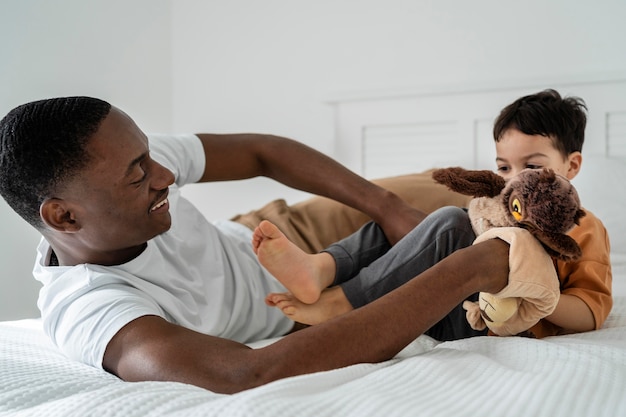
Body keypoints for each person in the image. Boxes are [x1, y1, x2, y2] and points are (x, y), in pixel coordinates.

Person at [0, 95, 508, 394]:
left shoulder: (132, 160)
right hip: (297, 308)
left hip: (283, 240)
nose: (166, 175)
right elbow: (248, 372)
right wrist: (464, 271)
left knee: (476, 194)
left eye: (151, 155)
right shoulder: (91, 311)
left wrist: (387, 206)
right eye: (139, 176)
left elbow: (262, 151)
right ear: (63, 216)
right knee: (462, 232)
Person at [255, 89, 612, 340]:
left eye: (532, 166)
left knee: (450, 223)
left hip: (481, 323)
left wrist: (532, 293)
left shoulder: (583, 227)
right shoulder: (495, 209)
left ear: (571, 164)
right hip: (428, 300)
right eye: (503, 167)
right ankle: (322, 268)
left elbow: (590, 313)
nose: (513, 180)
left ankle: (346, 301)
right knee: (411, 225)